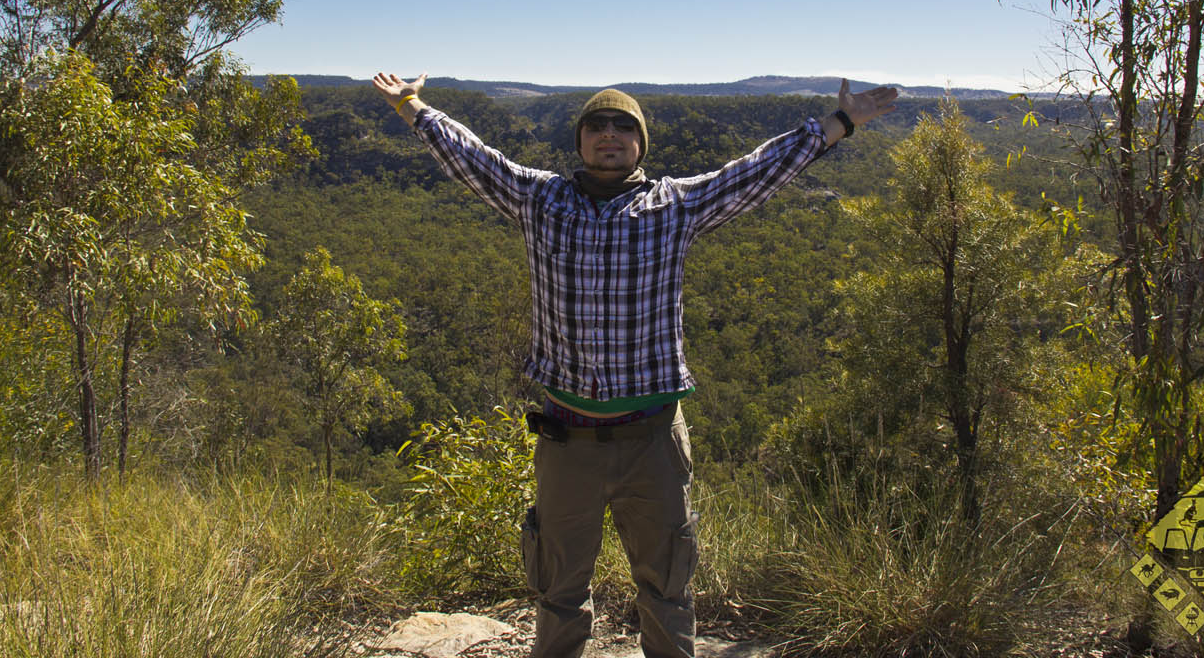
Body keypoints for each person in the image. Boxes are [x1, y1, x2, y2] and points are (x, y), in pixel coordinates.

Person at [371, 72, 896, 658]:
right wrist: (410, 104)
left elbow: (755, 171)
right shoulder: (539, 200)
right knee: (557, 589)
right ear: (580, 142)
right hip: (566, 438)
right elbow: (472, 156)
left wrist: (840, 123)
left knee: (667, 586)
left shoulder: (675, 206)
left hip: (652, 439)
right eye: (596, 125)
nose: (609, 135)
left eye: (624, 126)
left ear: (641, 143)